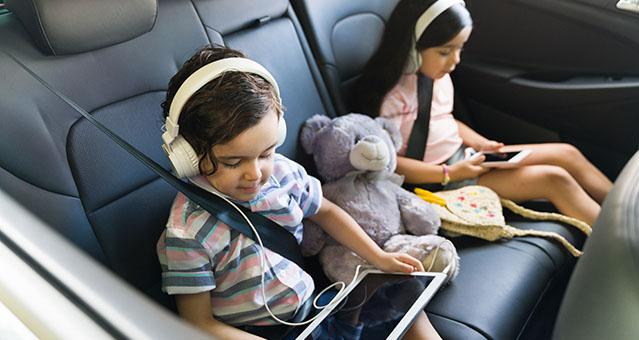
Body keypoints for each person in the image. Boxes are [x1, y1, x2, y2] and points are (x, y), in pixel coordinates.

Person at [156, 45, 441, 340]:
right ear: (188, 155)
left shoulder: (281, 173)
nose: (255, 174)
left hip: (319, 306)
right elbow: (198, 323)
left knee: (405, 306)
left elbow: (326, 211)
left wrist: (379, 257)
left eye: (266, 153)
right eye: (233, 162)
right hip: (265, 333)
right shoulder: (186, 233)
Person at [351, 0, 612, 225]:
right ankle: (621, 245)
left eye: (459, 48)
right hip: (439, 183)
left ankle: (628, 213)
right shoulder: (392, 98)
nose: (455, 60)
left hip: (467, 160)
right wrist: (450, 174)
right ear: (412, 47)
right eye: (445, 52)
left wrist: (479, 143)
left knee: (567, 153)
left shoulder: (437, 78)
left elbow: (443, 120)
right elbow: (391, 163)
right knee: (554, 179)